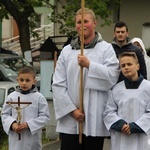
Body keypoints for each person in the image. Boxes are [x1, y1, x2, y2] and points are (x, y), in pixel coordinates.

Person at [52, 7, 120, 150]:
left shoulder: (106, 49)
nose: (82, 25)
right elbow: (58, 84)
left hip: (94, 117)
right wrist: (72, 111)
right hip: (71, 118)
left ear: (94, 23)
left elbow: (112, 76)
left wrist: (89, 65)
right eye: (78, 22)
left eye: (86, 21)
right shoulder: (67, 51)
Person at [103, 52, 150, 150]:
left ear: (138, 66)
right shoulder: (116, 89)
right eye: (123, 65)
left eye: (129, 64)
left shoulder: (148, 87)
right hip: (121, 138)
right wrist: (121, 125)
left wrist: (135, 126)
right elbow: (108, 112)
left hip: (142, 138)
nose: (126, 67)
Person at [1, 66, 50, 150]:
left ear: (34, 81)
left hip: (31, 137)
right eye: (21, 80)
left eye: (27, 80)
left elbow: (45, 116)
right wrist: (13, 124)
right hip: (15, 137)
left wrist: (29, 124)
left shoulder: (39, 97)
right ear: (17, 80)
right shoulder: (11, 97)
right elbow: (5, 114)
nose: (24, 83)